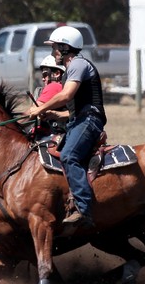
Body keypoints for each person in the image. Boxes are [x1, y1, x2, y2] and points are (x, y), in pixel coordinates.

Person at [26, 26, 105, 232]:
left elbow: (66, 96)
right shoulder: (72, 68)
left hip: (90, 120)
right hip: (80, 119)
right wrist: (53, 114)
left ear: (64, 47)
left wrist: (40, 108)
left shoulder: (77, 64)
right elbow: (71, 111)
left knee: (69, 156)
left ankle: (83, 208)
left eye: (55, 49)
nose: (53, 54)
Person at [32, 55, 68, 139]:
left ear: (57, 74)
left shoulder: (54, 86)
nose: (43, 79)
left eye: (45, 75)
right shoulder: (65, 87)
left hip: (57, 135)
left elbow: (31, 112)